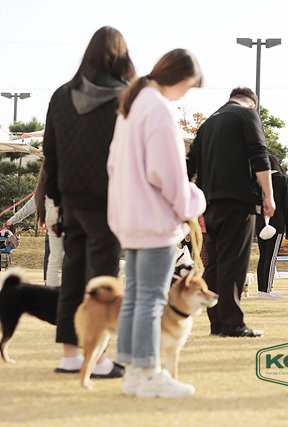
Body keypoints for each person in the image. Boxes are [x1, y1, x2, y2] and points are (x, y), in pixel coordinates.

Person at [107, 48, 206, 398]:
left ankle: (135, 372)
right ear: (179, 79)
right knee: (150, 299)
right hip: (154, 219)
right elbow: (169, 175)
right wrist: (194, 202)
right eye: (189, 87)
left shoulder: (132, 106)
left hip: (130, 218)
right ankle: (149, 373)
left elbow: (114, 166)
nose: (185, 95)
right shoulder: (159, 109)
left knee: (136, 297)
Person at [42, 26, 135, 377]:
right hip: (109, 201)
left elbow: (50, 153)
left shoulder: (61, 96)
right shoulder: (125, 97)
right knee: (102, 279)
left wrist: (56, 199)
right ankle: (97, 360)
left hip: (71, 201)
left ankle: (70, 356)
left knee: (72, 276)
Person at [186, 87, 275, 338]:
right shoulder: (247, 114)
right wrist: (268, 194)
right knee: (233, 263)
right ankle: (233, 324)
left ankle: (217, 322)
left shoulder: (207, 124)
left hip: (209, 202)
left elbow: (190, 164)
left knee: (214, 263)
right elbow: (259, 154)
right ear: (253, 103)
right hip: (239, 200)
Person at [256, 155, 288, 299]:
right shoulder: (283, 180)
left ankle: (261, 289)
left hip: (260, 223)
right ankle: (267, 289)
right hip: (276, 223)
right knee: (271, 257)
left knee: (263, 256)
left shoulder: (258, 181)